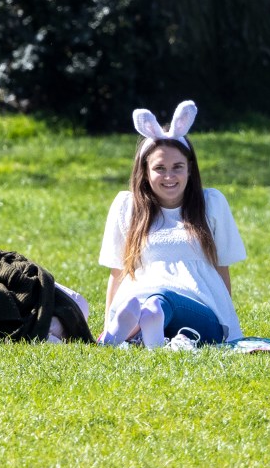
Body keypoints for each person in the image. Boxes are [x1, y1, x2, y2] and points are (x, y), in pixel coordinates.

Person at [98, 101, 247, 348]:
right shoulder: (128, 207)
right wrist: (107, 322)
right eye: (159, 168)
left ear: (190, 169)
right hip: (139, 303)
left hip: (201, 314)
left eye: (177, 167)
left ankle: (149, 321)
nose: (169, 176)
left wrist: (229, 324)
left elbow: (222, 270)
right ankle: (134, 334)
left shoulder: (211, 203)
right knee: (144, 303)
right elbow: (117, 272)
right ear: (145, 172)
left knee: (160, 300)